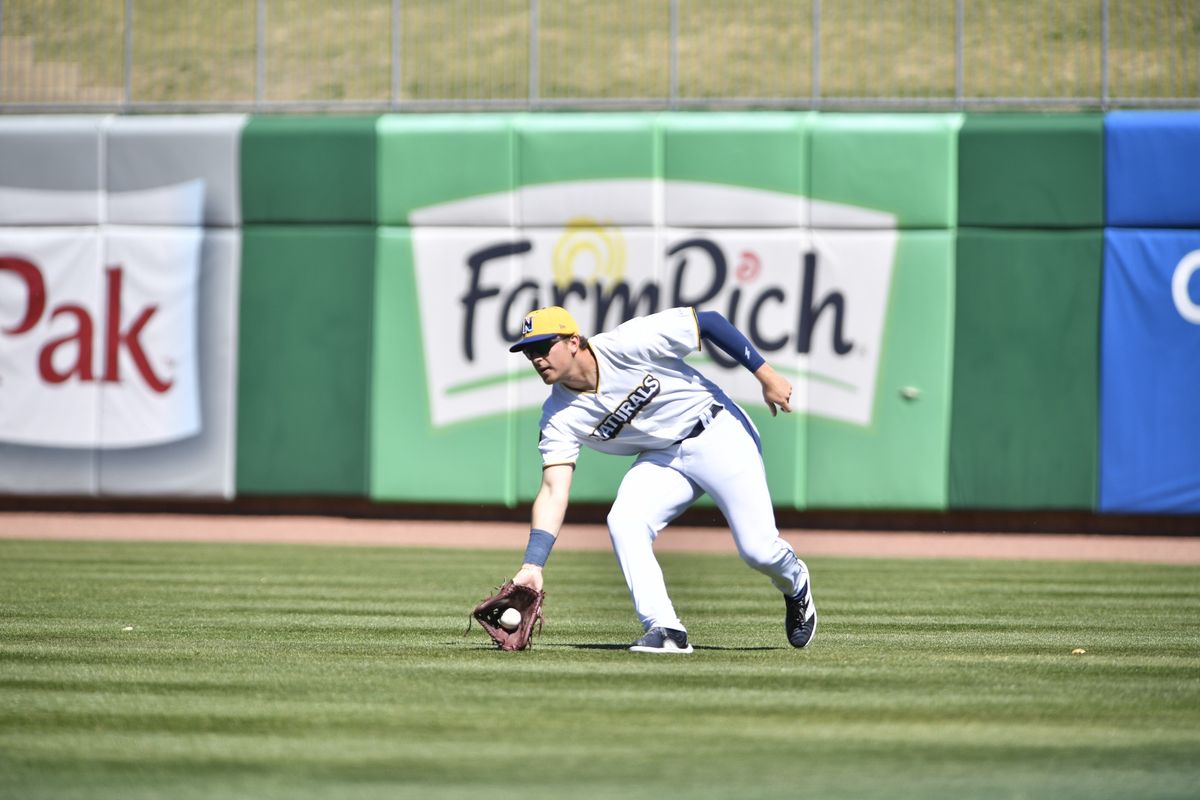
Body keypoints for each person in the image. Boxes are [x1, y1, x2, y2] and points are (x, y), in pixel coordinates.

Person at [508, 305, 816, 654]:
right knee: (624, 521)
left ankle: (795, 581)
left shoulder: (628, 343)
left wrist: (765, 374)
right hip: (663, 457)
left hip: (716, 430)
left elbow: (710, 322)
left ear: (574, 341)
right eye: (529, 351)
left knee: (759, 551)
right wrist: (533, 564)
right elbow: (553, 490)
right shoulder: (558, 417)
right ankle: (665, 628)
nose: (536, 358)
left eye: (543, 346)